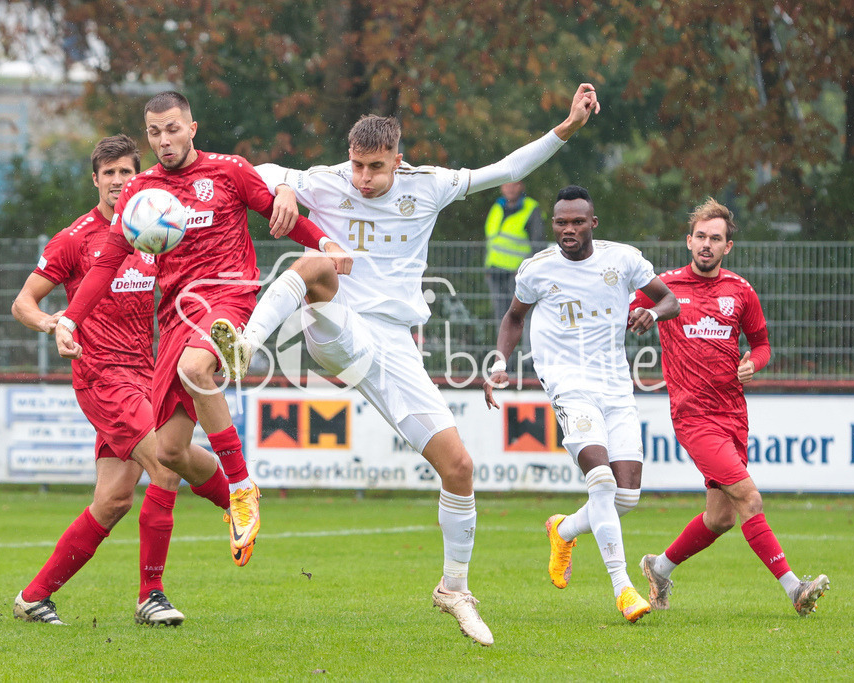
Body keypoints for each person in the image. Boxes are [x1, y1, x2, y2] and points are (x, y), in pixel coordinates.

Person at [210, 83, 602, 646]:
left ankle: (454, 588)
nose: (363, 178)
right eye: (357, 165)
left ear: (398, 158)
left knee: (459, 467)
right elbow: (252, 172)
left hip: (395, 345)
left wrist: (566, 128)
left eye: (375, 167)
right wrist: (284, 188)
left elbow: (506, 168)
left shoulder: (429, 185)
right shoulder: (326, 180)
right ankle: (246, 347)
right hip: (340, 328)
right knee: (315, 264)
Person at [52, 92, 348, 568]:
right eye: (154, 133)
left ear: (192, 128)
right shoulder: (140, 191)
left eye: (173, 129)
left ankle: (241, 486)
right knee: (170, 451)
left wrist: (327, 243)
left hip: (228, 294)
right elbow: (107, 262)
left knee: (195, 368)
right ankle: (232, 488)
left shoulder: (228, 171)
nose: (164, 141)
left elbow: (284, 216)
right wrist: (71, 319)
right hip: (176, 316)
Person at [11, 134, 189, 626]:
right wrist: (51, 322)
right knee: (167, 464)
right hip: (103, 377)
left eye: (125, 172)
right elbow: (23, 302)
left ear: (139, 178)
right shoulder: (75, 238)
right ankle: (151, 595)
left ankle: (33, 597)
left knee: (112, 501)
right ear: (95, 180)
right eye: (108, 173)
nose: (117, 181)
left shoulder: (155, 232)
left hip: (146, 375)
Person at [483, 185, 680, 623]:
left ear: (593, 223)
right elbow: (514, 317)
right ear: (553, 225)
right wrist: (499, 363)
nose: (568, 229)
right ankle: (623, 588)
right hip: (567, 384)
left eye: (576, 222)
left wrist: (652, 313)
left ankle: (564, 528)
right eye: (561, 223)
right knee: (602, 483)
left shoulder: (622, 259)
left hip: (616, 385)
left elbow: (670, 300)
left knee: (626, 496)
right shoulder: (537, 269)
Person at [633, 198, 830, 616]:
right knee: (749, 498)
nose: (707, 244)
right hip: (693, 417)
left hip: (733, 416)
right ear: (689, 241)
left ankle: (659, 567)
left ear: (728, 246)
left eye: (716, 238)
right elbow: (622, 312)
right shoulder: (664, 287)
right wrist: (634, 317)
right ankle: (795, 589)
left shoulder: (741, 291)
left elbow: (762, 344)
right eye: (701, 236)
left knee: (720, 518)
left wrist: (753, 363)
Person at [483, 180, 544, 323]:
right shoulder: (496, 207)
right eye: (506, 184)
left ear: (522, 186)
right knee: (500, 316)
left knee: (522, 316)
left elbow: (538, 243)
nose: (510, 188)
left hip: (517, 273)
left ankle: (526, 340)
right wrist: (486, 266)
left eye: (514, 184)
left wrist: (525, 269)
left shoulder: (531, 208)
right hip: (494, 271)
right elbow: (490, 240)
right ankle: (502, 339)